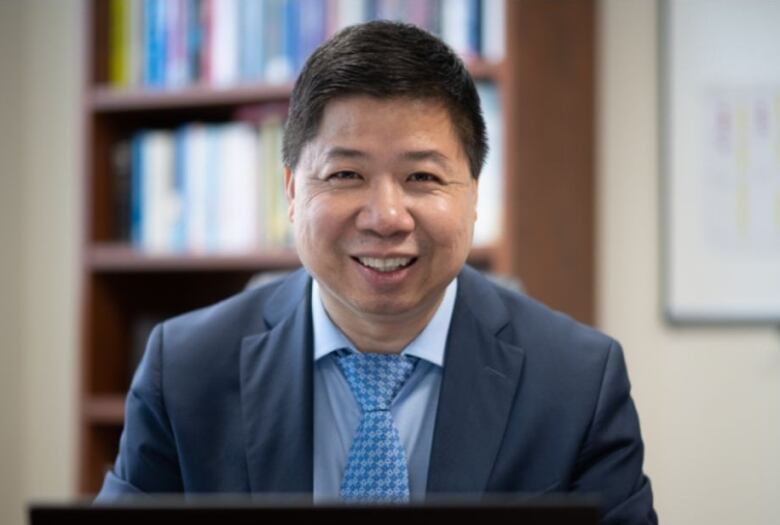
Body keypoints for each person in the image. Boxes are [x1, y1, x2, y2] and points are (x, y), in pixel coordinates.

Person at [96, 20, 657, 523]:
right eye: (345, 175)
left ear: (474, 196)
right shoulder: (186, 371)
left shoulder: (577, 382)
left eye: (422, 178)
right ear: (292, 191)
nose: (386, 217)